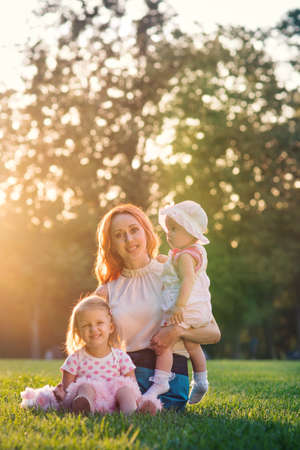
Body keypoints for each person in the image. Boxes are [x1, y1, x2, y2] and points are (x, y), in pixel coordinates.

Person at [94, 203, 221, 412]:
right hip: (125, 381)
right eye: (119, 235)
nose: (129, 239)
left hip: (170, 382)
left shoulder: (171, 272)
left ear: (146, 231)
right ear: (111, 244)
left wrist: (178, 331)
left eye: (134, 230)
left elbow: (213, 333)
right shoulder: (107, 290)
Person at [21, 296, 149, 415]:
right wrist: (61, 396)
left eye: (99, 323)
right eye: (87, 325)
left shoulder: (121, 357)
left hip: (114, 401)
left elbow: (133, 386)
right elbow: (68, 390)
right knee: (85, 387)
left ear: (110, 327)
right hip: (90, 399)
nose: (93, 329)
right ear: (78, 332)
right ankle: (85, 408)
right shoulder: (75, 359)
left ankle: (130, 413)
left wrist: (135, 398)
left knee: (125, 389)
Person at [142, 201, 212, 404]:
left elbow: (188, 279)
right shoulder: (193, 252)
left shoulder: (184, 258)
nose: (168, 233)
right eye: (167, 229)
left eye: (174, 229)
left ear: (191, 232)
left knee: (164, 344)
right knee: (192, 344)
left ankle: (161, 381)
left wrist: (179, 307)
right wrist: (167, 261)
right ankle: (201, 380)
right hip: (199, 308)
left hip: (186, 307)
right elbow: (180, 271)